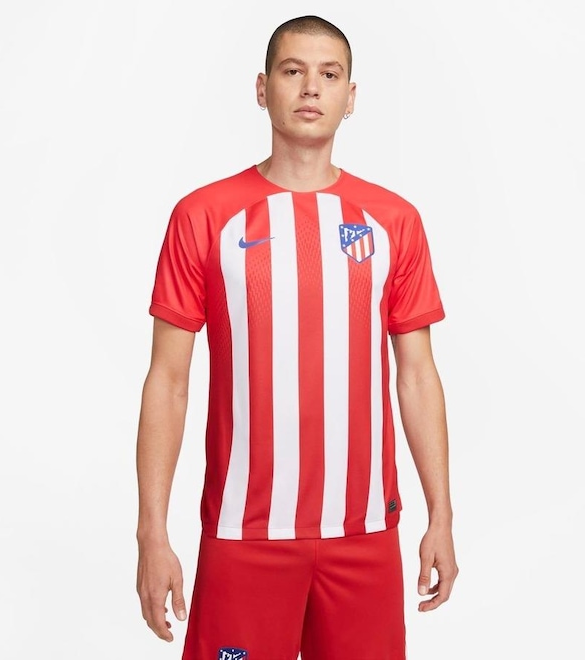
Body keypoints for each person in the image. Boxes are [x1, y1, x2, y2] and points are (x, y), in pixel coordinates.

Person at [136, 14, 458, 660]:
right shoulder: (204, 216)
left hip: (365, 533)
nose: (311, 87)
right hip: (243, 533)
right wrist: (152, 532)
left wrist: (441, 515)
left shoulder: (393, 221)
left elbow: (417, 374)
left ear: (350, 96)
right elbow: (168, 381)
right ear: (262, 89)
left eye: (329, 75)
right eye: (293, 71)